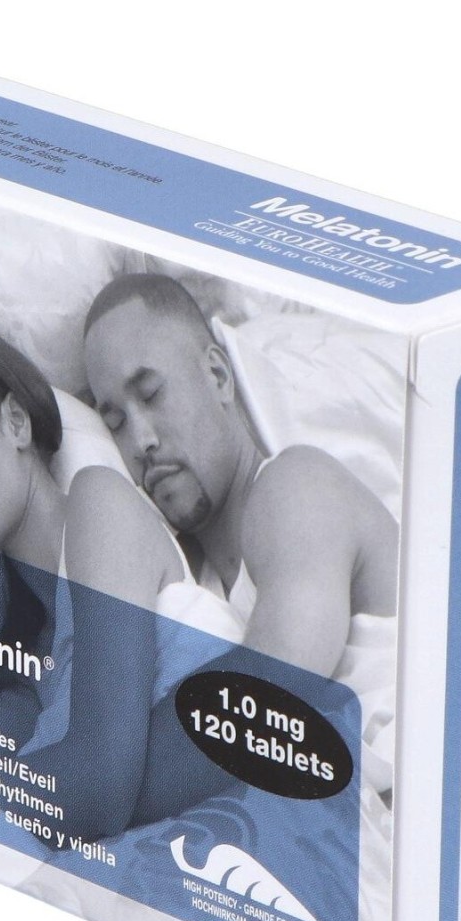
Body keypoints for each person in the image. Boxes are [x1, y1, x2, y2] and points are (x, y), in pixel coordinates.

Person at [0, 309, 242, 839]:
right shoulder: (23, 666)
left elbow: (99, 791)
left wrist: (14, 784)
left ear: (16, 422)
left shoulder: (99, 504)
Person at [82, 274, 398, 681]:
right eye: (116, 422)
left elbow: (267, 702)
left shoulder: (299, 487)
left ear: (218, 376)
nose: (141, 440)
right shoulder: (185, 589)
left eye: (151, 394)